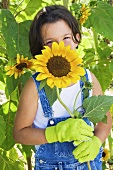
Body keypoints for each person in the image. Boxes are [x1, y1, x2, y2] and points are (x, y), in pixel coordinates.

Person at [13, 5, 112, 170]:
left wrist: (96, 142)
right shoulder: (35, 87)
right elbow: (19, 133)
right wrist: (55, 133)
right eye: (50, 42)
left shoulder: (87, 79)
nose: (60, 47)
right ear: (40, 49)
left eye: (66, 37)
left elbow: (105, 122)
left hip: (90, 164)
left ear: (77, 38)